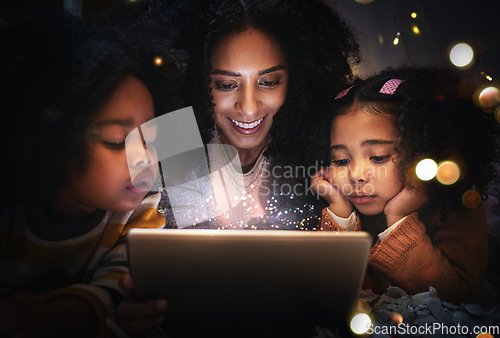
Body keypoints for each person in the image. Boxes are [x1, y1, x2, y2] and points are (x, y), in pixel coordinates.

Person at [0, 4, 184, 336]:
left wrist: (61, 316)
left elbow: (120, 284)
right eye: (117, 142)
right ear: (50, 142)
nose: (144, 158)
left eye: (152, 139)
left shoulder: (142, 212)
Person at [142, 0, 361, 230]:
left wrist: (340, 219)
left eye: (267, 82)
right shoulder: (171, 147)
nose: (248, 107)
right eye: (226, 85)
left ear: (298, 81)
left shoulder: (322, 152)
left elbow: (338, 258)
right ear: (193, 81)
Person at [311, 66, 499, 305]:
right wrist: (339, 212)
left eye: (378, 157)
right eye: (341, 160)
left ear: (424, 151)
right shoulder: (343, 204)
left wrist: (398, 219)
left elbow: (458, 299)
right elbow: (327, 286)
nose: (356, 175)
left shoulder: (457, 206)